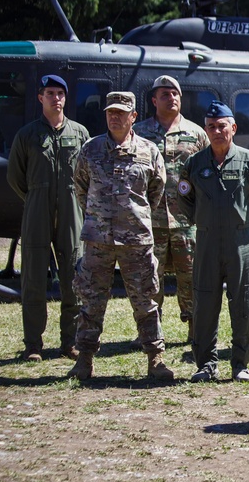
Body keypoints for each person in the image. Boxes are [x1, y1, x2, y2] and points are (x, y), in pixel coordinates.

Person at [66, 91, 172, 381]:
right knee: (91, 300)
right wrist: (99, 217)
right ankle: (84, 359)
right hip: (98, 239)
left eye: (121, 113)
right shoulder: (91, 149)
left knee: (146, 301)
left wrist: (132, 216)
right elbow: (81, 188)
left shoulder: (149, 151)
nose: (114, 117)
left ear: (133, 117)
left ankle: (156, 359)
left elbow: (156, 191)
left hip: (136, 239)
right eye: (110, 112)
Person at [178, 101, 249, 382]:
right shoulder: (194, 163)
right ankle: (206, 364)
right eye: (211, 127)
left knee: (243, 302)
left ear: (233, 127)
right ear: (206, 130)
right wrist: (202, 220)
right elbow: (184, 198)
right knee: (205, 303)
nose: (217, 131)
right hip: (206, 241)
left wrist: (244, 221)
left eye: (222, 126)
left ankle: (240, 364)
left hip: (239, 242)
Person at [6, 75, 90, 362]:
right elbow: (16, 177)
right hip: (37, 213)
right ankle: (33, 345)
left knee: (74, 279)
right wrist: (35, 199)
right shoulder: (27, 135)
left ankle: (70, 342)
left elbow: (89, 175)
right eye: (50, 93)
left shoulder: (80, 133)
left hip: (71, 213)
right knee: (33, 281)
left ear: (66, 98)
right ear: (40, 97)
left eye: (60, 93)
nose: (56, 98)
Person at [133, 75, 208, 345]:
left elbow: (208, 172)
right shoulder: (139, 132)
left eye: (175, 93)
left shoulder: (197, 133)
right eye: (164, 94)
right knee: (149, 279)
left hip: (186, 221)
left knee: (191, 278)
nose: (171, 98)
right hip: (148, 220)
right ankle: (150, 333)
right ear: (154, 100)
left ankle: (194, 330)